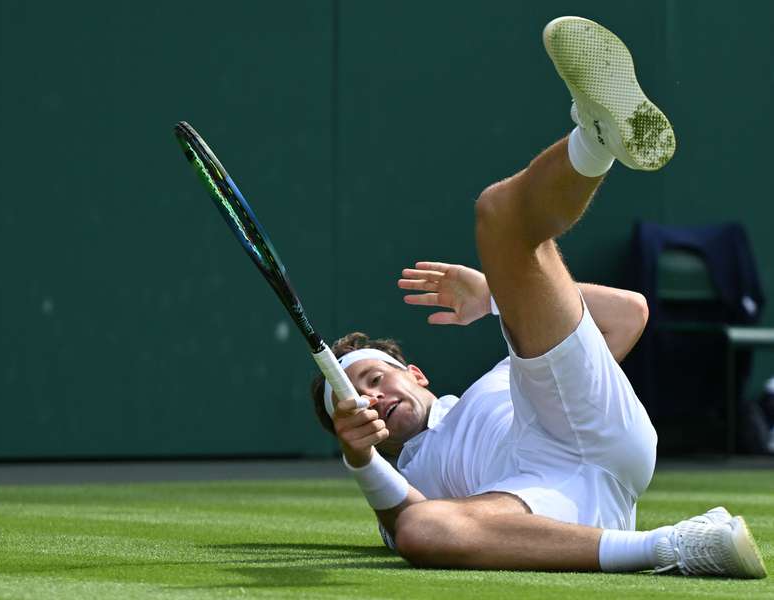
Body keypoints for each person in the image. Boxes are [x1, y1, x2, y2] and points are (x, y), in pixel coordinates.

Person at [310, 16, 766, 578]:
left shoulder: (501, 379)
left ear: (416, 373)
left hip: (577, 422)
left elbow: (628, 314)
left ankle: (595, 138)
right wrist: (361, 459)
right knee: (421, 529)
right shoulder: (402, 484)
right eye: (351, 403)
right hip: (551, 504)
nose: (371, 399)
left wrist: (498, 295)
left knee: (497, 215)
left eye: (375, 379)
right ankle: (673, 546)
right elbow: (404, 519)